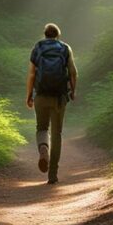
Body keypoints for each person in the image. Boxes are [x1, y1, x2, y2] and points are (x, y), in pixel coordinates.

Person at [26, 23, 77, 184]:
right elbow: (73, 72)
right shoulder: (65, 48)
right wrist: (73, 91)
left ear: (45, 34)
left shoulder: (38, 47)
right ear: (58, 35)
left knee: (41, 128)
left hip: (41, 95)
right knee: (57, 134)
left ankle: (43, 150)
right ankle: (53, 174)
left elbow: (32, 74)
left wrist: (29, 95)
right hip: (59, 97)